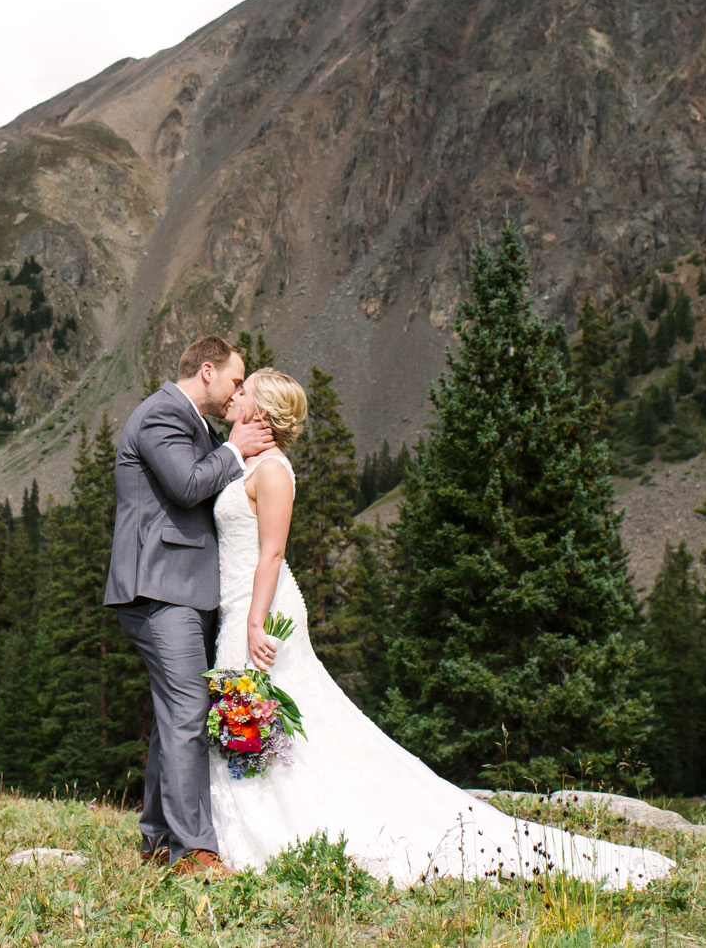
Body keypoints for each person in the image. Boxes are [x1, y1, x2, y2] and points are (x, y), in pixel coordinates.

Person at [206, 367, 673, 888]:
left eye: (244, 391)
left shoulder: (272, 472)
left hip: (261, 610)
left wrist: (254, 621)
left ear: (263, 413)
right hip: (238, 606)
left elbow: (271, 552)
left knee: (269, 718)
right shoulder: (246, 462)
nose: (235, 393)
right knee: (261, 720)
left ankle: (284, 834)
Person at [106, 335, 274, 876]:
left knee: (171, 716)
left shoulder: (192, 423)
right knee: (186, 715)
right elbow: (184, 485)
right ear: (207, 370)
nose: (237, 392)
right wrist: (234, 450)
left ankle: (158, 838)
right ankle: (193, 852)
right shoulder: (160, 416)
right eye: (234, 380)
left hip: (183, 589)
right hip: (159, 589)